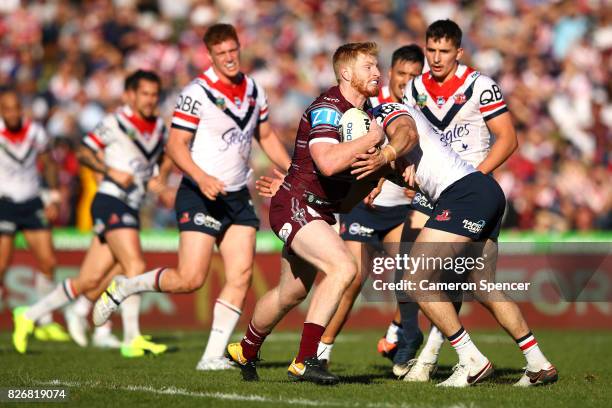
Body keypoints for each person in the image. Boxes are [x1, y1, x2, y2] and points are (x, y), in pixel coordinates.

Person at [91, 23, 291, 371]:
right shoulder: (196, 93)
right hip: (199, 193)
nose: (229, 58)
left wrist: (292, 170)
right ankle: (125, 286)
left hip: (237, 195)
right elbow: (175, 145)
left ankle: (211, 356)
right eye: (222, 53)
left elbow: (267, 135)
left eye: (233, 51)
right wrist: (201, 176)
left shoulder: (255, 89)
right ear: (210, 55)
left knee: (241, 274)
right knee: (190, 279)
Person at [224, 42, 412, 385]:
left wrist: (381, 173)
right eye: (368, 67)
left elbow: (347, 185)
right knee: (343, 267)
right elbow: (326, 162)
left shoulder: (367, 113)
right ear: (346, 73)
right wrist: (371, 140)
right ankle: (306, 360)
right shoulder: (328, 107)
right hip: (296, 204)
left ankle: (245, 349)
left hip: (319, 211)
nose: (377, 72)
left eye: (376, 66)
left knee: (290, 293)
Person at [369, 101, 557, 387]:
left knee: (416, 279)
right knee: (482, 285)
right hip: (484, 190)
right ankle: (538, 362)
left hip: (463, 194)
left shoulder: (384, 112)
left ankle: (471, 360)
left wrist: (386, 158)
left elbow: (407, 134)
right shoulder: (379, 140)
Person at [12, 70, 170, 358]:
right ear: (129, 95)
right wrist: (109, 171)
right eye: (144, 93)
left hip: (132, 204)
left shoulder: (159, 127)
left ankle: (31, 314)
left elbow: (161, 156)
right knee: (135, 263)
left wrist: (159, 176)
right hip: (111, 200)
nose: (150, 99)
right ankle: (132, 338)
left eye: (154, 94)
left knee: (89, 279)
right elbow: (84, 152)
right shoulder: (115, 122)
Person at [395, 19, 519, 381]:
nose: (435, 58)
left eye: (444, 51)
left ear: (458, 52)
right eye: (431, 50)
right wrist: (408, 171)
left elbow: (508, 139)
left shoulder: (480, 85)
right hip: (431, 194)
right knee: (416, 273)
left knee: (460, 279)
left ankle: (429, 358)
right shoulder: (414, 88)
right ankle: (414, 344)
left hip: (470, 194)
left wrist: (475, 179)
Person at [314, 45, 425, 369]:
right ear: (390, 73)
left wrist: (413, 183)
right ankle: (320, 353)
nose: (407, 81)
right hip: (363, 208)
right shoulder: (370, 101)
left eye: (414, 76)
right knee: (351, 280)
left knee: (412, 279)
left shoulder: (423, 105)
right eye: (402, 74)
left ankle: (397, 334)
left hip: (400, 212)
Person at [0, 88, 70, 343]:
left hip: (31, 202)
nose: (12, 113)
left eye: (15, 107)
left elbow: (49, 163)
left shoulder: (35, 132)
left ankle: (43, 320)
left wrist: (52, 195)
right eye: (6, 109)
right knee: (1, 265)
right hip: (4, 203)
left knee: (49, 262)